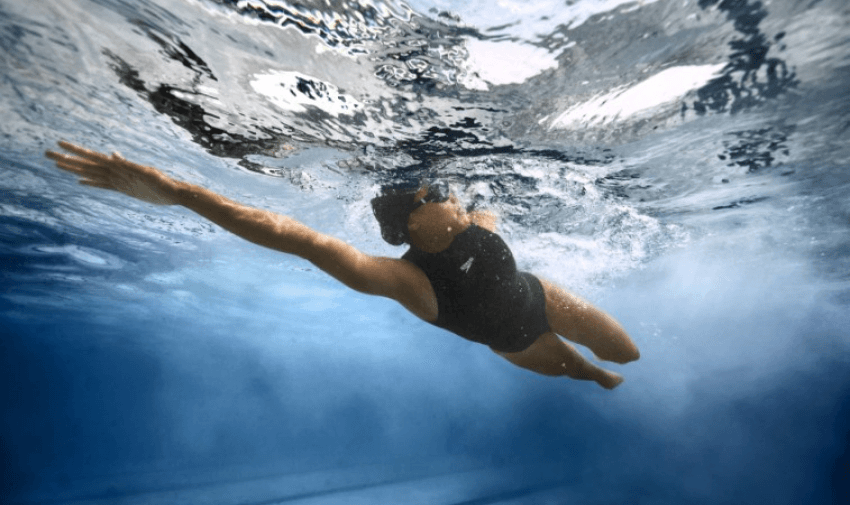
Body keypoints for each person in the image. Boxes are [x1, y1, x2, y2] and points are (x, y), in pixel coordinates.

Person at [46, 141, 639, 389]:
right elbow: (298, 238)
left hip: (545, 296)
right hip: (516, 341)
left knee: (627, 352)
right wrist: (180, 193)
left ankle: (603, 368)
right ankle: (594, 377)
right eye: (436, 193)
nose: (451, 194)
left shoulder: (474, 222)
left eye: (446, 189)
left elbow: (489, 214)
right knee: (593, 374)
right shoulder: (405, 280)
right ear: (412, 223)